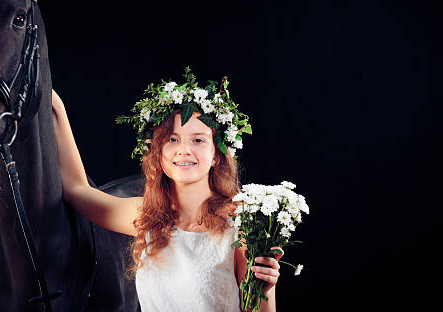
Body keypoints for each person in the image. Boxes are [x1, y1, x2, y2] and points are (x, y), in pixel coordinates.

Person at [51, 67, 282, 311]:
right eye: (172, 139)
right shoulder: (146, 216)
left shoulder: (241, 223)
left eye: (198, 140)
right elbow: (77, 190)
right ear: (158, 152)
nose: (184, 150)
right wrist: (55, 105)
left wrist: (266, 287)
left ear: (217, 154)